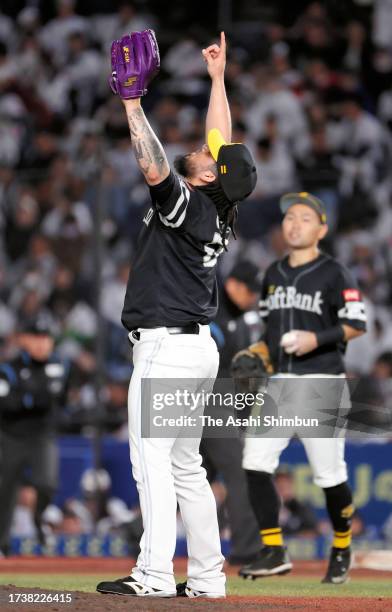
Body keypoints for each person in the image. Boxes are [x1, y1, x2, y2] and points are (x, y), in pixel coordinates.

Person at [96, 30, 256, 599]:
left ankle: (156, 574)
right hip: (195, 349)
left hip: (166, 347)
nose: (209, 148)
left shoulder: (191, 209)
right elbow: (223, 139)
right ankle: (209, 579)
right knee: (186, 467)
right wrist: (217, 79)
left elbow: (156, 170)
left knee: (153, 461)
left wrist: (133, 106)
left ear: (210, 177)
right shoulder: (219, 205)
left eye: (214, 158)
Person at [237, 192, 366, 584]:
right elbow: (270, 336)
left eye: (305, 218)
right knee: (255, 462)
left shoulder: (335, 272)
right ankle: (274, 549)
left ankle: (342, 545)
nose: (294, 223)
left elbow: (357, 323)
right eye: (290, 217)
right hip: (281, 382)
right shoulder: (273, 275)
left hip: (322, 378)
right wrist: (256, 352)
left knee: (329, 475)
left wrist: (316, 339)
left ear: (322, 229)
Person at [201, 261, 262, 565]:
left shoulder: (239, 318)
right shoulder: (211, 307)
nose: (253, 298)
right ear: (234, 285)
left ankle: (137, 532)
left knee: (192, 475)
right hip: (207, 398)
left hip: (222, 400)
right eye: (249, 291)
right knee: (239, 470)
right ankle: (248, 549)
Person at [0, 313, 67, 556]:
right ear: (22, 340)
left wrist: (27, 397)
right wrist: (34, 397)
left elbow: (58, 399)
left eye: (46, 337)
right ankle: (2, 544)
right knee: (5, 490)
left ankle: (39, 519)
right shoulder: (8, 368)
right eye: (36, 336)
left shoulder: (59, 365)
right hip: (10, 436)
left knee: (47, 483)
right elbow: (7, 405)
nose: (42, 342)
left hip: (41, 436)